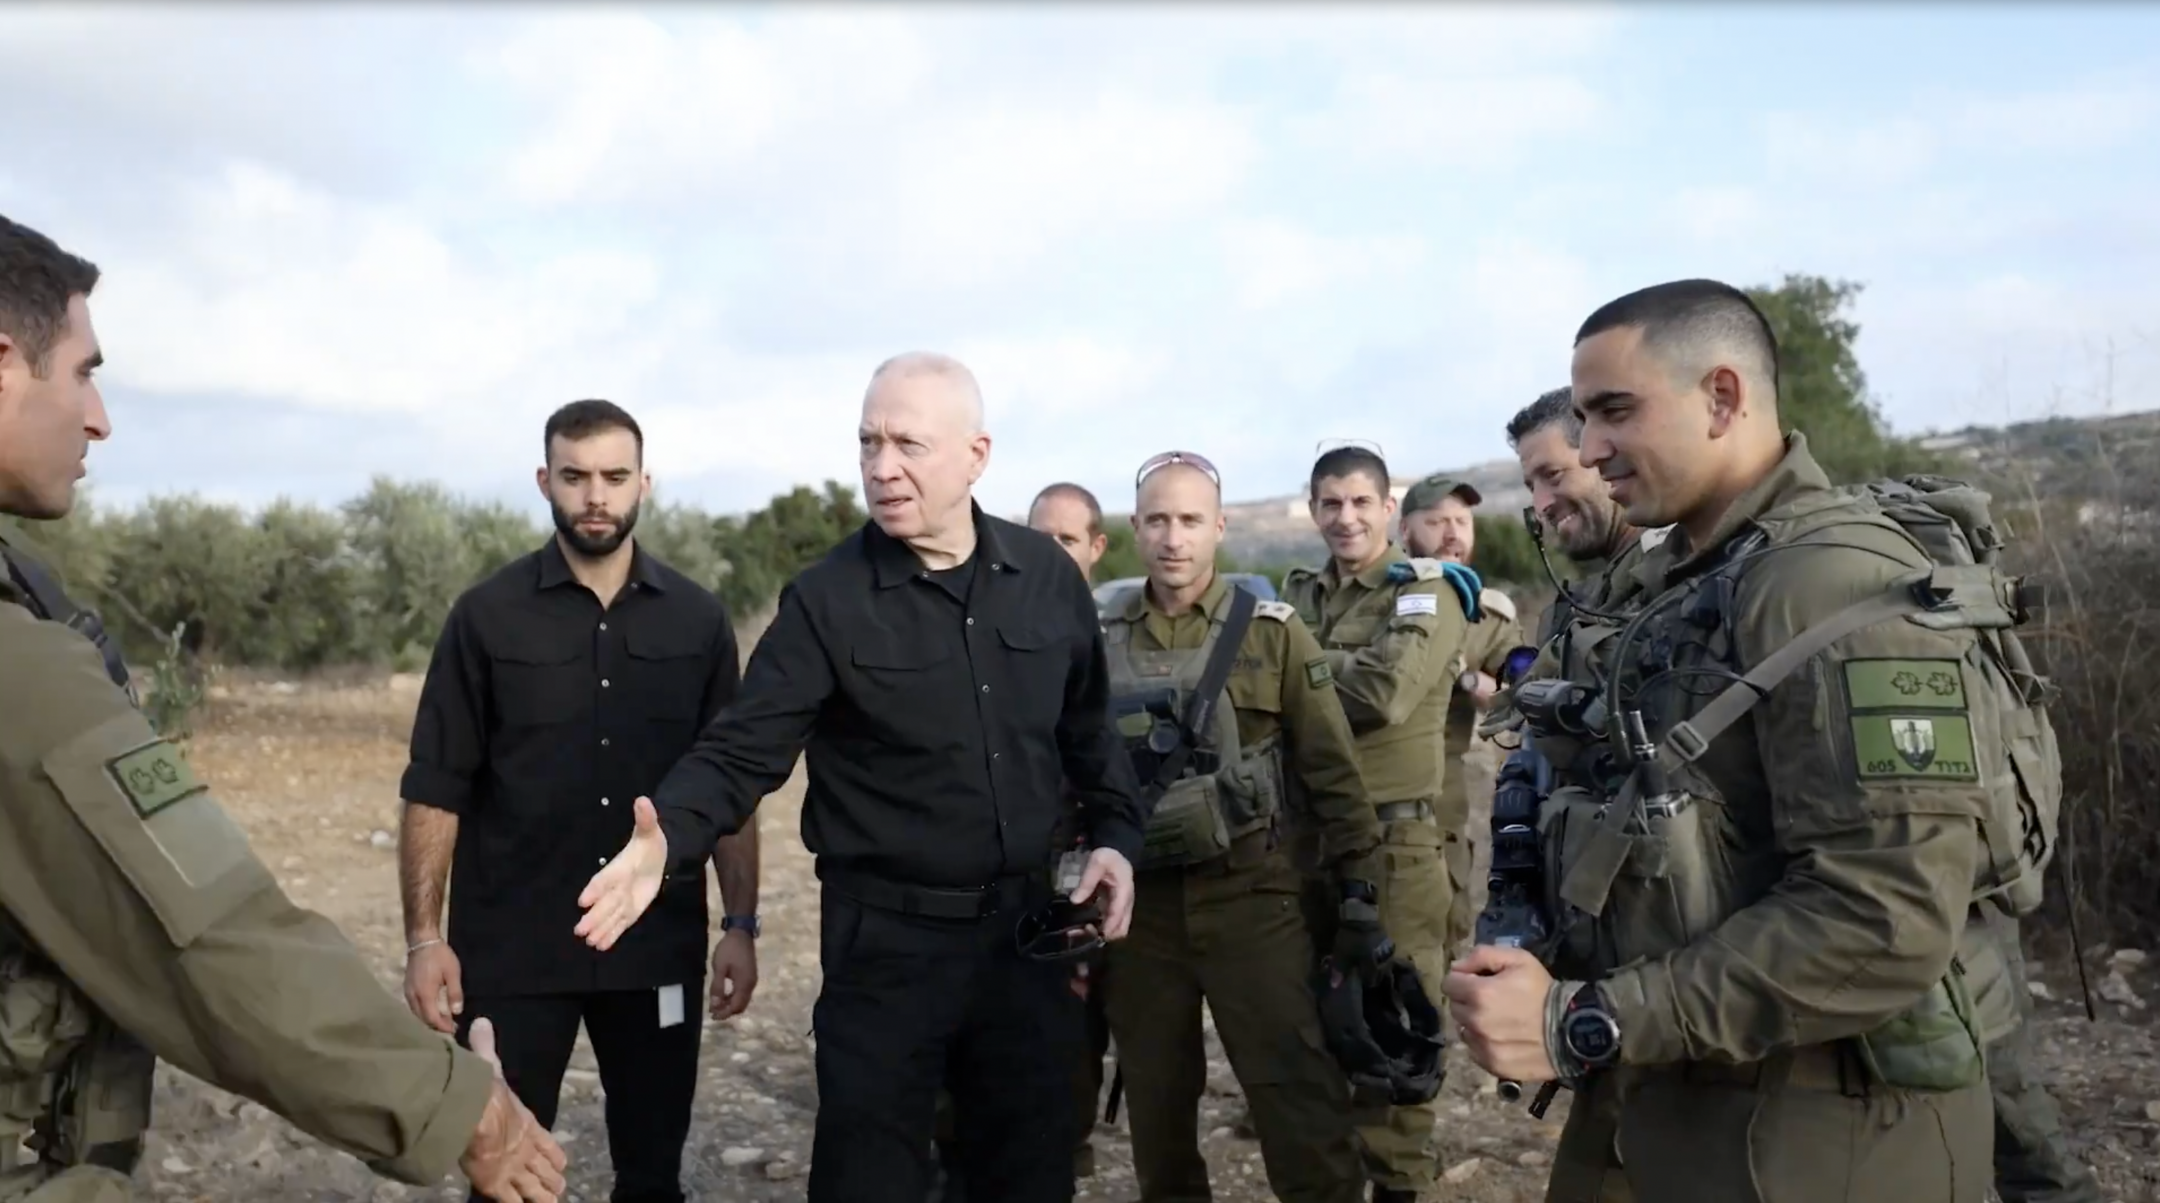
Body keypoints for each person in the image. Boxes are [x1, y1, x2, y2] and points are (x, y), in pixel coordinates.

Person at [0, 213, 566, 1201]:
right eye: (83, 372)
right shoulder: (18, 665)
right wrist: (457, 1106)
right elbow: (212, 935)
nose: (99, 418)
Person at [1443, 278, 2012, 1202]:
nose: (1589, 450)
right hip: (1677, 1088)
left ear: (1722, 397)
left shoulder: (1829, 583)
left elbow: (1883, 917)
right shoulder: (1691, 577)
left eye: (1614, 412)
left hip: (1817, 1134)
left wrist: (1584, 1018)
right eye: (1583, 418)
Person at [569, 351, 1147, 1203]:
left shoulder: (1047, 579)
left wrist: (1119, 841)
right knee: (865, 1178)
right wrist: (671, 840)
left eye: (908, 443)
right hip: (886, 953)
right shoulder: (827, 599)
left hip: (1024, 945)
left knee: (1026, 1172)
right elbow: (743, 747)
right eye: (868, 443)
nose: (882, 467)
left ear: (976, 455)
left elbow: (1091, 739)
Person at [397, 399, 756, 1203]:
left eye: (614, 476)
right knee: (507, 1173)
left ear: (644, 484)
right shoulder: (485, 616)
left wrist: (740, 923)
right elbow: (435, 784)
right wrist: (425, 940)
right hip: (512, 947)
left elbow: (728, 784)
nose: (596, 494)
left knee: (653, 1171)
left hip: (656, 948)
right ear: (544, 480)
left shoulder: (698, 620)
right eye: (576, 475)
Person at [1103, 450, 1386, 1203]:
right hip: (1142, 911)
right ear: (1134, 527)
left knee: (1296, 1098)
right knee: (1157, 1108)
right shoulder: (1097, 637)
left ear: (1219, 526)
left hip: (1255, 899)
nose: (1173, 537)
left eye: (1190, 519)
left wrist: (1360, 892)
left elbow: (1331, 771)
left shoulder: (1270, 633)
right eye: (1157, 519)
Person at [1281, 446, 1475, 1203]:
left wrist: (1295, 670)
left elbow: (1386, 692)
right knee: (1316, 1021)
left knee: (1394, 1022)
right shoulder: (1303, 596)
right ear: (1313, 508)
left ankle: (1400, 1184)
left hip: (1396, 846)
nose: (1345, 518)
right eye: (1330, 503)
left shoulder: (1426, 591)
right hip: (1308, 839)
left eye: (1360, 502)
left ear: (1388, 507)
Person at [929, 479, 1117, 1202]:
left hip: (1093, 881)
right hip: (1008, 891)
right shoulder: (992, 631)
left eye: (1067, 538)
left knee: (1068, 1060)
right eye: (1039, 535)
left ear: (1096, 548)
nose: (1049, 551)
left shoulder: (1110, 635)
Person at [1396, 474, 1523, 957]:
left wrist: (1472, 680)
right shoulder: (1376, 600)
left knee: (1445, 925)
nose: (1452, 533)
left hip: (1440, 802)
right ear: (1406, 531)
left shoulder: (1489, 616)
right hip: (1360, 796)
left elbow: (1514, 692)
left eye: (1461, 521)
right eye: (1436, 521)